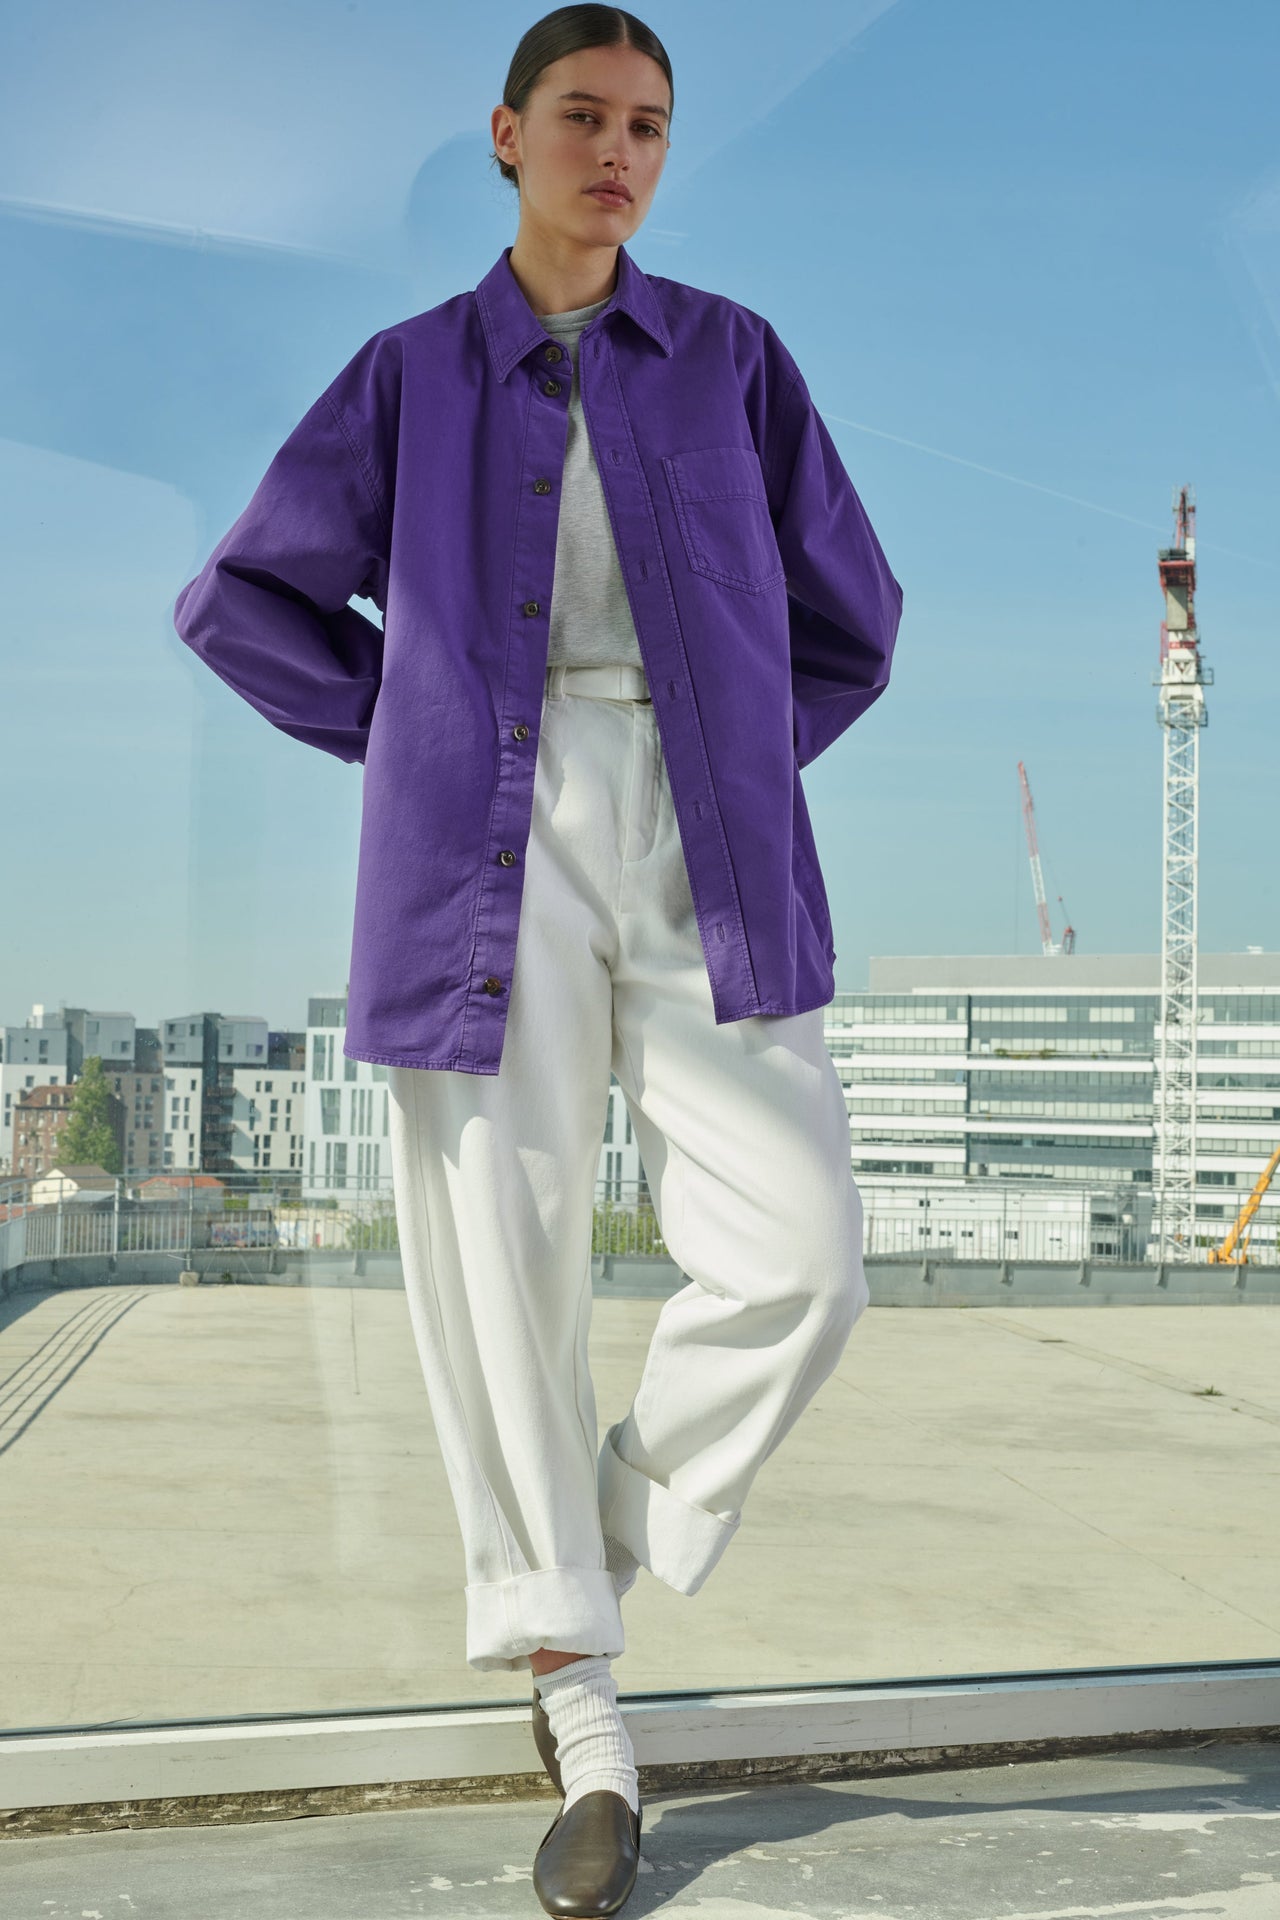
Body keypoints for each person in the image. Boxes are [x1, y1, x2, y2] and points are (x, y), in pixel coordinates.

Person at [173, 7, 903, 1912]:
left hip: (703, 828)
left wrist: (735, 757)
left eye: (648, 125)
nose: (618, 153)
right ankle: (586, 1736)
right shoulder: (410, 372)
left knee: (807, 1259)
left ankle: (585, 1537)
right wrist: (413, 728)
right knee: (503, 1277)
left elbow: (856, 618)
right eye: (584, 117)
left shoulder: (735, 361)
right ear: (508, 135)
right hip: (475, 847)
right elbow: (239, 596)